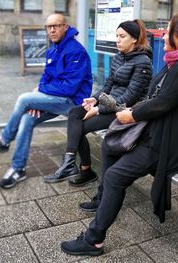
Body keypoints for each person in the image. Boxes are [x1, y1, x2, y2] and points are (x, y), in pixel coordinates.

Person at [61, 12, 178, 256]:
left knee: (114, 176)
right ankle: (103, 201)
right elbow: (160, 100)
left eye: (168, 32)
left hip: (169, 145)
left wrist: (131, 115)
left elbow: (163, 102)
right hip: (161, 133)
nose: (163, 35)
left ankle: (93, 240)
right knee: (111, 145)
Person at [0, 14, 93, 189]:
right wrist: (39, 98)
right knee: (27, 118)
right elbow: (46, 77)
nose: (52, 30)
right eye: (48, 27)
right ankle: (18, 168)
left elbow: (70, 87)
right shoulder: (53, 49)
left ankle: (3, 141)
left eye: (56, 26)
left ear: (65, 27)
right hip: (56, 100)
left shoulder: (75, 51)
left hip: (73, 103)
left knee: (24, 99)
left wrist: (38, 94)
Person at [43, 19, 153, 185]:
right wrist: (94, 98)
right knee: (74, 113)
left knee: (80, 127)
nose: (117, 40)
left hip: (124, 111)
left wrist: (99, 109)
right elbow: (108, 85)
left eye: (122, 36)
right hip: (108, 104)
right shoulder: (118, 57)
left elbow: (129, 98)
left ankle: (85, 170)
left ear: (134, 39)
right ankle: (70, 162)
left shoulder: (143, 62)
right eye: (117, 36)